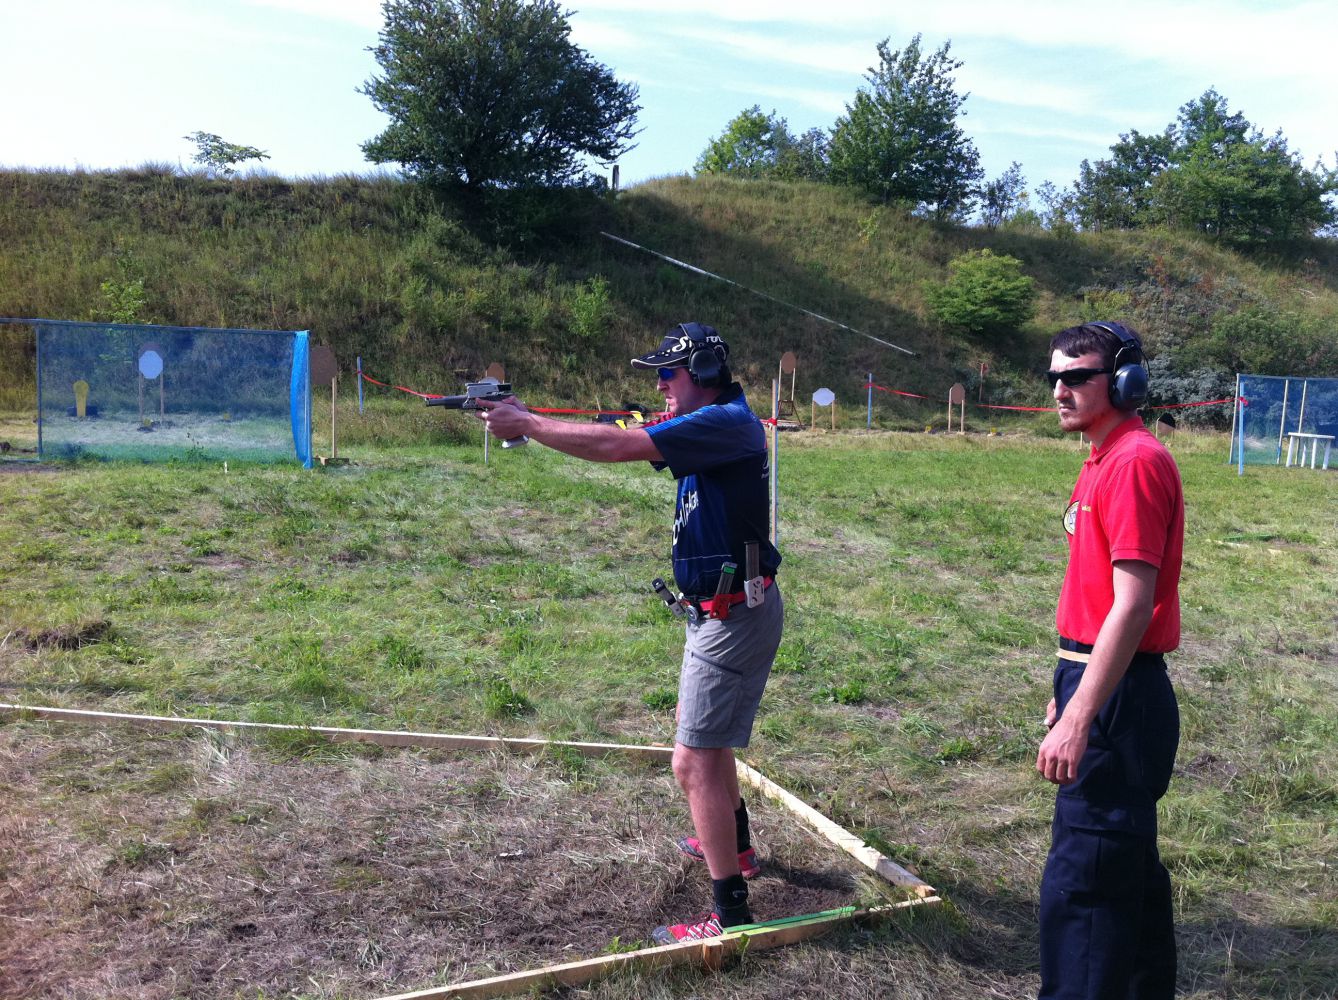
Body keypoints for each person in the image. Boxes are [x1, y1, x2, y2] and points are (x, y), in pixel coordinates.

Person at [476, 322, 783, 944]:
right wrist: (532, 420)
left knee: (692, 762)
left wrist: (527, 423)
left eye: (668, 374)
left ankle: (730, 916)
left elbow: (618, 445)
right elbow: (624, 435)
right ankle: (738, 849)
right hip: (719, 610)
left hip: (731, 616)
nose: (661, 385)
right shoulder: (713, 422)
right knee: (708, 743)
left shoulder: (723, 423)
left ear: (702, 373)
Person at [1037, 322, 1185, 1000]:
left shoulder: (1133, 462)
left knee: (1086, 888)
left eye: (1077, 377)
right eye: (1054, 377)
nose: (1060, 390)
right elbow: (1095, 598)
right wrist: (1067, 685)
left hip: (1120, 694)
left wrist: (1080, 716)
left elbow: (1132, 606)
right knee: (1124, 871)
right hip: (1101, 676)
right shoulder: (1103, 456)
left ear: (1126, 383)